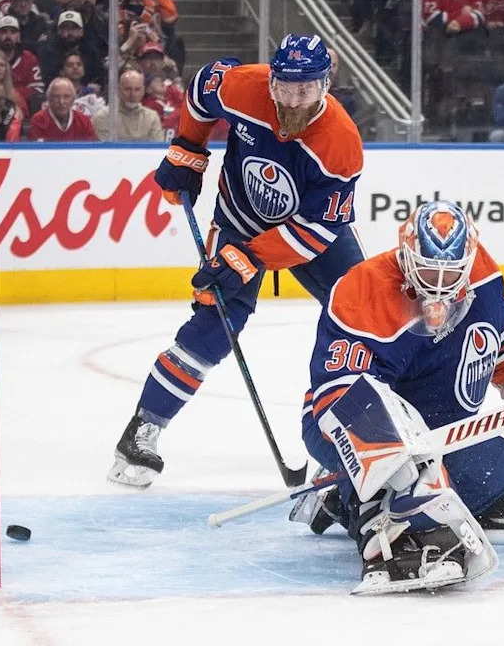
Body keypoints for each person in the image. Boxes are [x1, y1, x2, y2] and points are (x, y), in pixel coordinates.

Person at [107, 34, 366, 488]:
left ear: (326, 84)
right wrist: (190, 148)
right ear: (272, 79)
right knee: (215, 321)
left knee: (362, 311)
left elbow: (315, 232)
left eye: (304, 89)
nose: (292, 99)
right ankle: (143, 428)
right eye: (284, 86)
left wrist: (248, 257)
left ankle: (360, 434)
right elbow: (202, 89)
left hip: (309, 232)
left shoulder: (341, 142)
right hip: (238, 218)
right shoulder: (244, 85)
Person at [296, 200, 504, 593]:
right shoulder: (363, 291)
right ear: (407, 255)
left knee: (497, 472)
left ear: (469, 260)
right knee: (408, 477)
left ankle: (351, 497)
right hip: (345, 421)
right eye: (429, 270)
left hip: (442, 433)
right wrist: (388, 462)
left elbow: (499, 335)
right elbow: (340, 396)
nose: (440, 285)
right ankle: (366, 502)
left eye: (451, 273)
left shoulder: (483, 276)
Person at [91, 69, 165, 142]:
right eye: (127, 89)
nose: (132, 94)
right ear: (118, 90)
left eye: (137, 89)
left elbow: (156, 149)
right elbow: (105, 150)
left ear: (143, 91)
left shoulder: (152, 117)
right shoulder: (103, 116)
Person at [28, 77, 97, 141]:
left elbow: (92, 150)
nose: (61, 102)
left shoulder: (84, 121)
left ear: (73, 99)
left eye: (66, 96)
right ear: (49, 99)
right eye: (56, 96)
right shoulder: (39, 120)